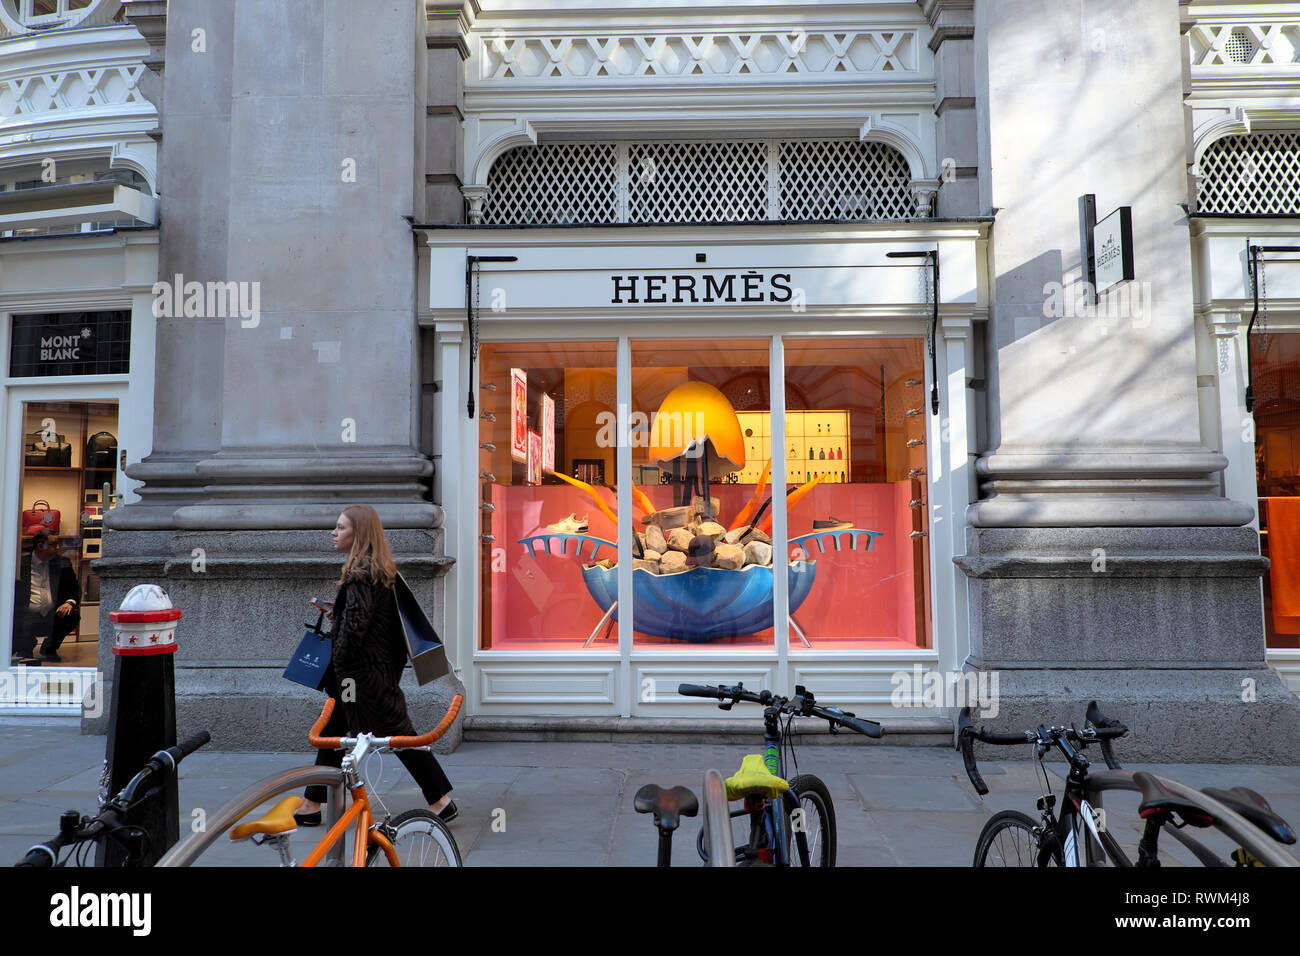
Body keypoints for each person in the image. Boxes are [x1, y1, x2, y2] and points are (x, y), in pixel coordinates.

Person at [296, 504, 456, 825]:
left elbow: (355, 629)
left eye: (341, 527)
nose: (333, 532)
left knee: (399, 734)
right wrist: (337, 615)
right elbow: (367, 621)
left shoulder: (359, 575)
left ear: (360, 534)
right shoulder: (378, 570)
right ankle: (312, 804)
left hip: (361, 677)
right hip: (372, 673)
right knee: (336, 730)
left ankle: (441, 800)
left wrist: (338, 667)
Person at [12, 530, 80, 664]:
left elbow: (74, 589)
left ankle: (49, 648)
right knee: (17, 615)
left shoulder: (62, 563)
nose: (58, 548)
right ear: (40, 546)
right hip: (27, 612)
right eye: (54, 544)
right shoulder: (20, 563)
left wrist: (69, 603)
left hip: (52, 612)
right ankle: (25, 648)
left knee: (73, 616)